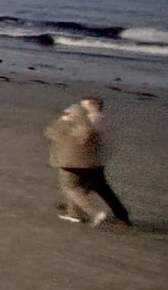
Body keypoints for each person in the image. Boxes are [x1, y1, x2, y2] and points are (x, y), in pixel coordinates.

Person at [47, 96, 131, 226]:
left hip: (87, 160)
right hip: (98, 160)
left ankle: (81, 212)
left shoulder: (91, 121)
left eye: (83, 105)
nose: (81, 108)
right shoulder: (106, 120)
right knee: (101, 188)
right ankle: (121, 215)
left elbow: (78, 138)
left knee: (73, 186)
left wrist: (67, 120)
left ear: (92, 106)